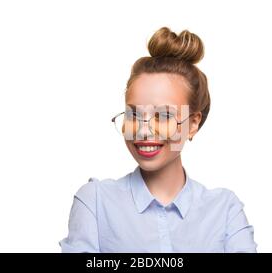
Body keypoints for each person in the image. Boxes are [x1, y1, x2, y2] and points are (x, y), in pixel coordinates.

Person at [60, 26, 257, 253]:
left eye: (162, 116)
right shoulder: (95, 202)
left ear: (193, 123)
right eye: (134, 114)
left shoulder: (224, 210)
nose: (143, 131)